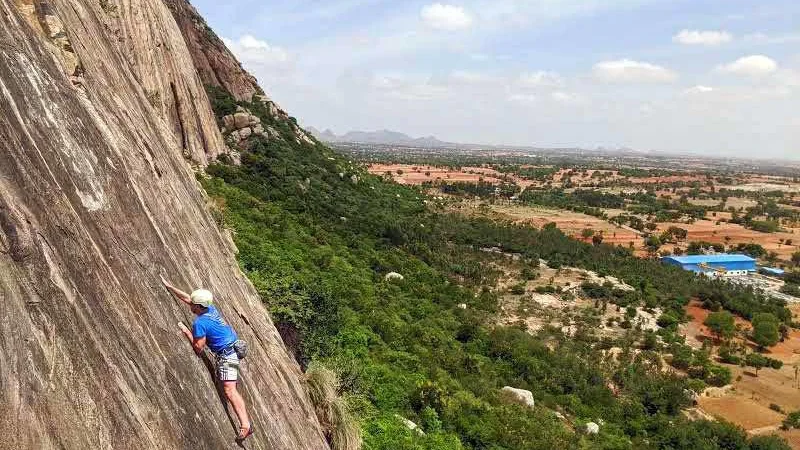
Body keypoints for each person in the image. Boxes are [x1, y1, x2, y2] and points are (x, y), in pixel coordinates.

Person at [161, 276, 254, 442]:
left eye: (193, 304)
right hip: (232, 348)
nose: (190, 304)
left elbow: (198, 347)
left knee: (229, 391)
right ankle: (245, 422)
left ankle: (246, 425)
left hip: (227, 355)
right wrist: (170, 286)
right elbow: (188, 298)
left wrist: (186, 331)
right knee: (229, 386)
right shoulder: (210, 309)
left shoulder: (200, 323)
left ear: (199, 306)